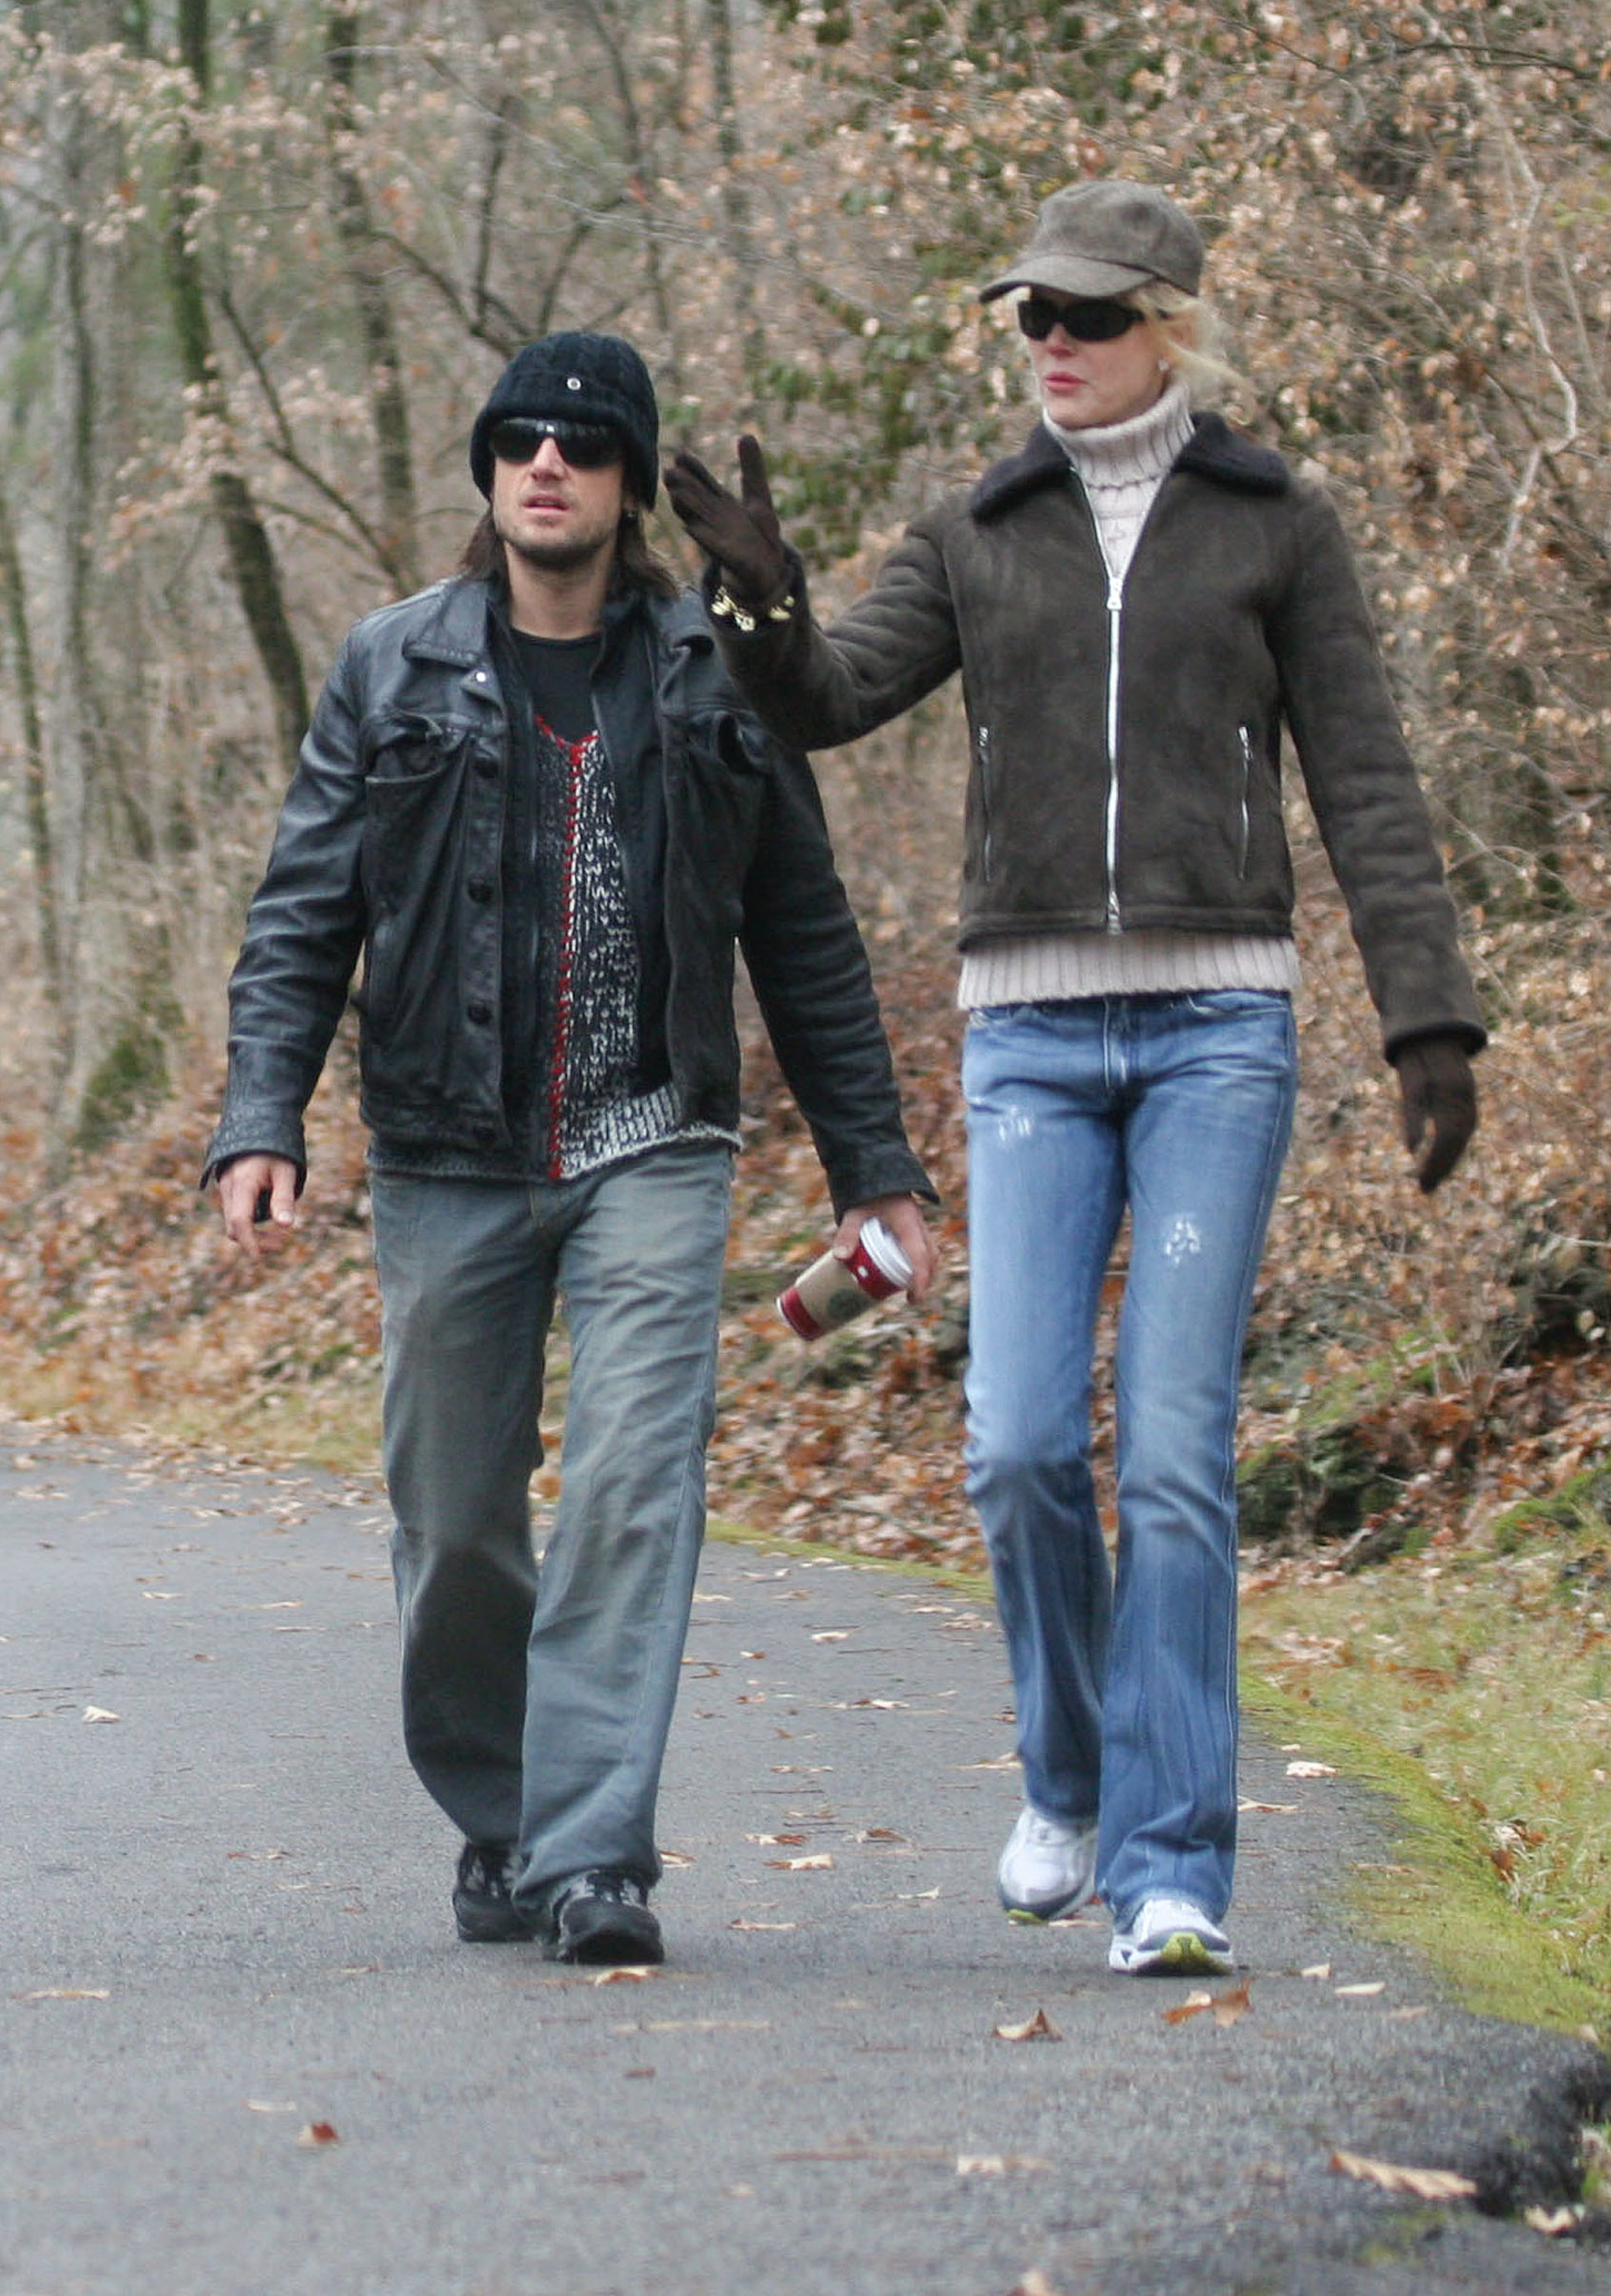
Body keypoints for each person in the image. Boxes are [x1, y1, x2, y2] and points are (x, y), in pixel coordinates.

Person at [665, 182, 1484, 1978]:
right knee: (1023, 1438)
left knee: (1175, 1457)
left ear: (1168, 327)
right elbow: (822, 698)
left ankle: (1173, 1860)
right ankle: (1068, 1768)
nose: (1051, 338)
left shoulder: (1278, 524)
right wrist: (758, 594)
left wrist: (1429, 1013)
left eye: (1087, 314)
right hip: (1029, 1038)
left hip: (1213, 1032)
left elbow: (1364, 772)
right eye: (1031, 310)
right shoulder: (978, 523)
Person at [206, 330, 934, 1969]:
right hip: (449, 1151)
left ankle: (595, 1854)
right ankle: (505, 1814)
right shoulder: (392, 665)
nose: (551, 464)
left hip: (654, 1140)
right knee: (456, 1519)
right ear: (489, 469)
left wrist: (872, 1163)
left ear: (627, 486)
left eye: (587, 447)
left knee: (629, 1486)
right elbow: (305, 910)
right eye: (523, 440)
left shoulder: (709, 672)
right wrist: (265, 1116)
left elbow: (803, 932)